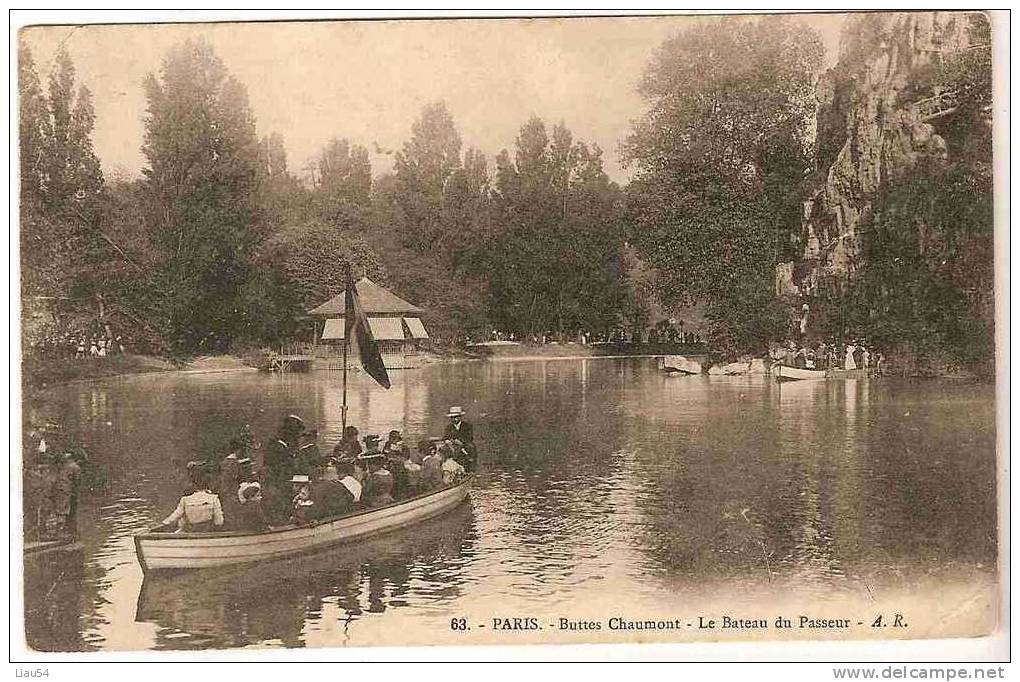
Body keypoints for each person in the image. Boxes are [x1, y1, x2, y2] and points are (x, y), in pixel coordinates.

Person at [443, 406, 477, 471]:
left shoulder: (467, 426)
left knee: (471, 447)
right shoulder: (449, 427)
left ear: (460, 417)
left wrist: (460, 441)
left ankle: (470, 467)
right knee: (443, 449)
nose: (454, 419)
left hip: (465, 444)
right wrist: (447, 441)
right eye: (452, 417)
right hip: (453, 445)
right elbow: (445, 437)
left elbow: (469, 437)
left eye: (456, 417)